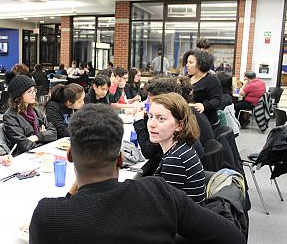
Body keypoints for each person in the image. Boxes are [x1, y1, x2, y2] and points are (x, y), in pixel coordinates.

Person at [29, 104, 245, 244]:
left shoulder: (49, 216)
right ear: (121, 158)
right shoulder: (158, 193)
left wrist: (71, 195)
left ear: (69, 156)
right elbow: (233, 237)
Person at [148, 93, 206, 203]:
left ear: (179, 125)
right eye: (150, 116)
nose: (151, 124)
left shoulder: (175, 159)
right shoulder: (181, 148)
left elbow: (165, 209)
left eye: (161, 119)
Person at [3, 75, 57, 155]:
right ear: (19, 95)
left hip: (40, 152)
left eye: (34, 90)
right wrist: (44, 138)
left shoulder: (35, 111)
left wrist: (37, 137)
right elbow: (24, 144)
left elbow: (54, 132)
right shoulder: (10, 117)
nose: (34, 94)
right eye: (29, 91)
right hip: (23, 157)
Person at [183, 49, 222, 129]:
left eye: (191, 62)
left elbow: (217, 100)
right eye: (187, 62)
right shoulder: (187, 78)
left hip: (206, 123)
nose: (187, 65)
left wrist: (204, 106)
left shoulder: (211, 80)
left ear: (201, 64)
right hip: (189, 120)